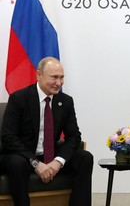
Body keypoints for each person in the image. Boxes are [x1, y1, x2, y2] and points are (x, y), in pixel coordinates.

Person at [0, 57, 93, 206]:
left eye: (62, 77)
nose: (59, 83)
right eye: (54, 77)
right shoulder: (19, 98)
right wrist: (36, 163)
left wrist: (58, 161)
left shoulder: (66, 101)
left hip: (50, 155)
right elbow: (8, 137)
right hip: (23, 156)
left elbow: (74, 136)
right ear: (39, 75)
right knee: (16, 163)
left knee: (84, 157)